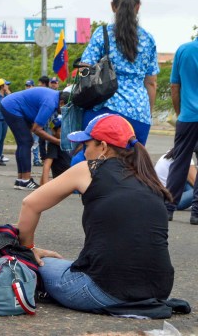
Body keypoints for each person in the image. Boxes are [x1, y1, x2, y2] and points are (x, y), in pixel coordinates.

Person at [17, 114, 175, 315]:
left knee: (31, 262)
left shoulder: (88, 169)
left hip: (103, 291)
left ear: (103, 146)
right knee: (65, 263)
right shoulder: (148, 178)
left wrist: (27, 250)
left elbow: (30, 204)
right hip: (157, 291)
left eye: (86, 145)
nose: (84, 152)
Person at [77, 0, 158, 149]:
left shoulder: (102, 34)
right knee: (131, 167)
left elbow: (83, 70)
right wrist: (146, 114)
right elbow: (151, 83)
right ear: (138, 7)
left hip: (103, 110)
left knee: (93, 165)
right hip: (138, 114)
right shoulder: (148, 39)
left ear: (113, 6)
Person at [1, 87, 66, 190]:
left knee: (23, 143)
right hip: (12, 107)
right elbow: (36, 129)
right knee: (26, 142)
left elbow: (39, 125)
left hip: (12, 106)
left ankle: (20, 180)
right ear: (61, 102)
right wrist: (57, 141)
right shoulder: (50, 103)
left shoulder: (54, 97)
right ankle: (26, 181)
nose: (64, 111)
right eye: (65, 108)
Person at [165, 37, 198, 225]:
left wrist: (180, 113)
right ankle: (197, 213)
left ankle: (168, 208)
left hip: (188, 117)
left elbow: (174, 86)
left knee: (181, 161)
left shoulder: (184, 50)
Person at [156, 148, 196, 212]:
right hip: (170, 199)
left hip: (161, 195)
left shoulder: (174, 152)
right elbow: (195, 182)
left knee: (186, 180)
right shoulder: (185, 156)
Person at [39, 116, 71, 185]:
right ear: (53, 131)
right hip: (63, 180)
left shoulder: (68, 142)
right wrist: (44, 184)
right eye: (61, 131)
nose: (64, 133)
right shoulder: (53, 145)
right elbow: (47, 165)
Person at [24, 79, 43, 167]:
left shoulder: (36, 96)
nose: (28, 87)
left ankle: (36, 159)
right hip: (25, 121)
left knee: (35, 141)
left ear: (33, 86)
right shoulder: (23, 96)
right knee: (26, 141)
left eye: (29, 85)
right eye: (27, 86)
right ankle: (25, 159)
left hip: (34, 120)